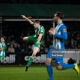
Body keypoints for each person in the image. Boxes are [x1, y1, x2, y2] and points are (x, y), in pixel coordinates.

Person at [46, 12, 79, 80]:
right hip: (53, 47)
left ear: (58, 17)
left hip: (59, 48)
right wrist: (51, 33)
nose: (53, 17)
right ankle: (51, 79)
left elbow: (65, 37)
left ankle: (73, 66)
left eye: (54, 16)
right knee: (47, 61)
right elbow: (55, 35)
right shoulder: (57, 26)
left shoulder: (63, 26)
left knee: (59, 67)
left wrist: (54, 33)